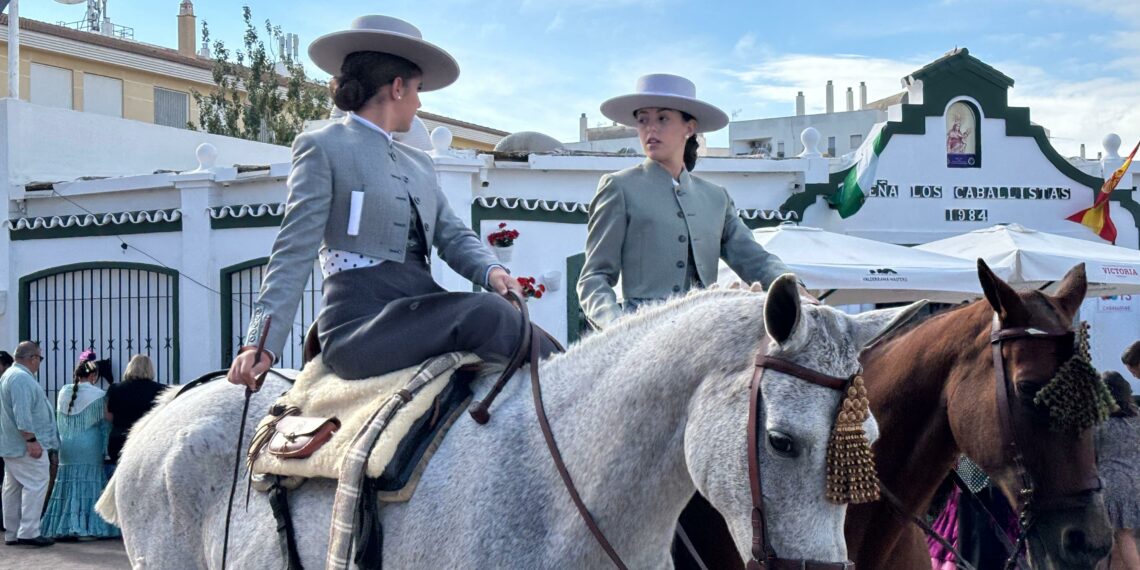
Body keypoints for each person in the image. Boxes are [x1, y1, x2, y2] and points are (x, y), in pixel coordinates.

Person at [228, 15, 555, 388]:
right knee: (489, 314)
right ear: (398, 88)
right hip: (358, 327)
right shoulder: (322, 146)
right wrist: (261, 342)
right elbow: (293, 249)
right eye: (417, 90)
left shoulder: (419, 163)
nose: (418, 104)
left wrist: (493, 272)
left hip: (421, 311)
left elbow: (452, 235)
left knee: (509, 317)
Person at [577, 73, 808, 331]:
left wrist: (794, 288)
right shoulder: (618, 187)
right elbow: (593, 278)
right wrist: (618, 328)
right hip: (641, 335)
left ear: (689, 128)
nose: (650, 129)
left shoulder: (716, 197)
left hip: (703, 333)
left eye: (662, 118)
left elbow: (756, 260)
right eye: (643, 120)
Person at [40, 360, 119, 540]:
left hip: (67, 443)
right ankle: (87, 526)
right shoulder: (99, 395)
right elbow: (106, 422)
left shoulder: (63, 392)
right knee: (89, 480)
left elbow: (58, 420)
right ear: (93, 375)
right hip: (90, 443)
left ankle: (64, 526)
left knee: (67, 481)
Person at [0, 342, 58, 547]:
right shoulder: (21, 379)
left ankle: (12, 532)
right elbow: (22, 413)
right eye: (39, 359)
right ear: (32, 358)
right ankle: (29, 531)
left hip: (12, 444)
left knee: (12, 488)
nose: (39, 363)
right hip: (25, 445)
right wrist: (31, 440)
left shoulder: (11, 376)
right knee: (36, 483)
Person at [1096, 371, 1140, 570]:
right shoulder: (1136, 418)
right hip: (1135, 482)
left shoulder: (1099, 424)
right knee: (1123, 537)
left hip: (1109, 485)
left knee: (1117, 538)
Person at [104, 354, 164, 477]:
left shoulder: (115, 389)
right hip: (147, 440)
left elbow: (108, 416)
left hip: (119, 440)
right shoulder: (160, 390)